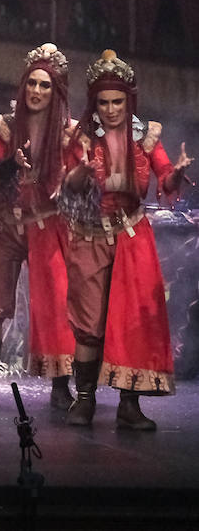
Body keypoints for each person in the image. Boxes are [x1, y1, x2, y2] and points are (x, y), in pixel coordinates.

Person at [59, 50, 190, 430]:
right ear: (94, 103)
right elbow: (66, 186)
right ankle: (84, 399)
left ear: (128, 101)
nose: (111, 109)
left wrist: (176, 174)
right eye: (103, 102)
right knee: (89, 323)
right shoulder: (81, 137)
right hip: (90, 235)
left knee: (131, 321)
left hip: (132, 236)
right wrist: (80, 174)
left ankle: (128, 405)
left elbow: (165, 177)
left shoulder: (146, 136)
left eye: (117, 102)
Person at [0, 43, 76, 410]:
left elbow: (81, 178)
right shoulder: (5, 127)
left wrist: (72, 179)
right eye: (32, 83)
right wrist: (12, 165)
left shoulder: (68, 134)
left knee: (56, 304)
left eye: (45, 85)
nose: (37, 91)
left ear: (56, 91)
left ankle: (60, 386)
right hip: (5, 225)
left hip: (46, 226)